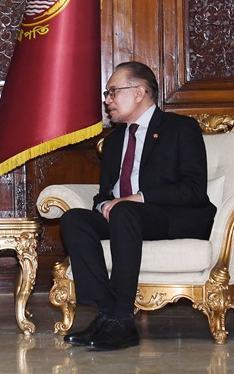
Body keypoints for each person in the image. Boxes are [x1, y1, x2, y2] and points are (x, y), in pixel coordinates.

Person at [59, 61, 216, 351]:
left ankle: (120, 317)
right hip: (124, 217)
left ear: (141, 92)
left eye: (113, 92)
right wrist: (106, 203)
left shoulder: (181, 128)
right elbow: (103, 193)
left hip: (170, 217)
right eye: (107, 94)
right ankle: (111, 315)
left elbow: (193, 189)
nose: (107, 101)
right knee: (74, 220)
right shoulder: (116, 139)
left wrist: (137, 197)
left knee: (124, 210)